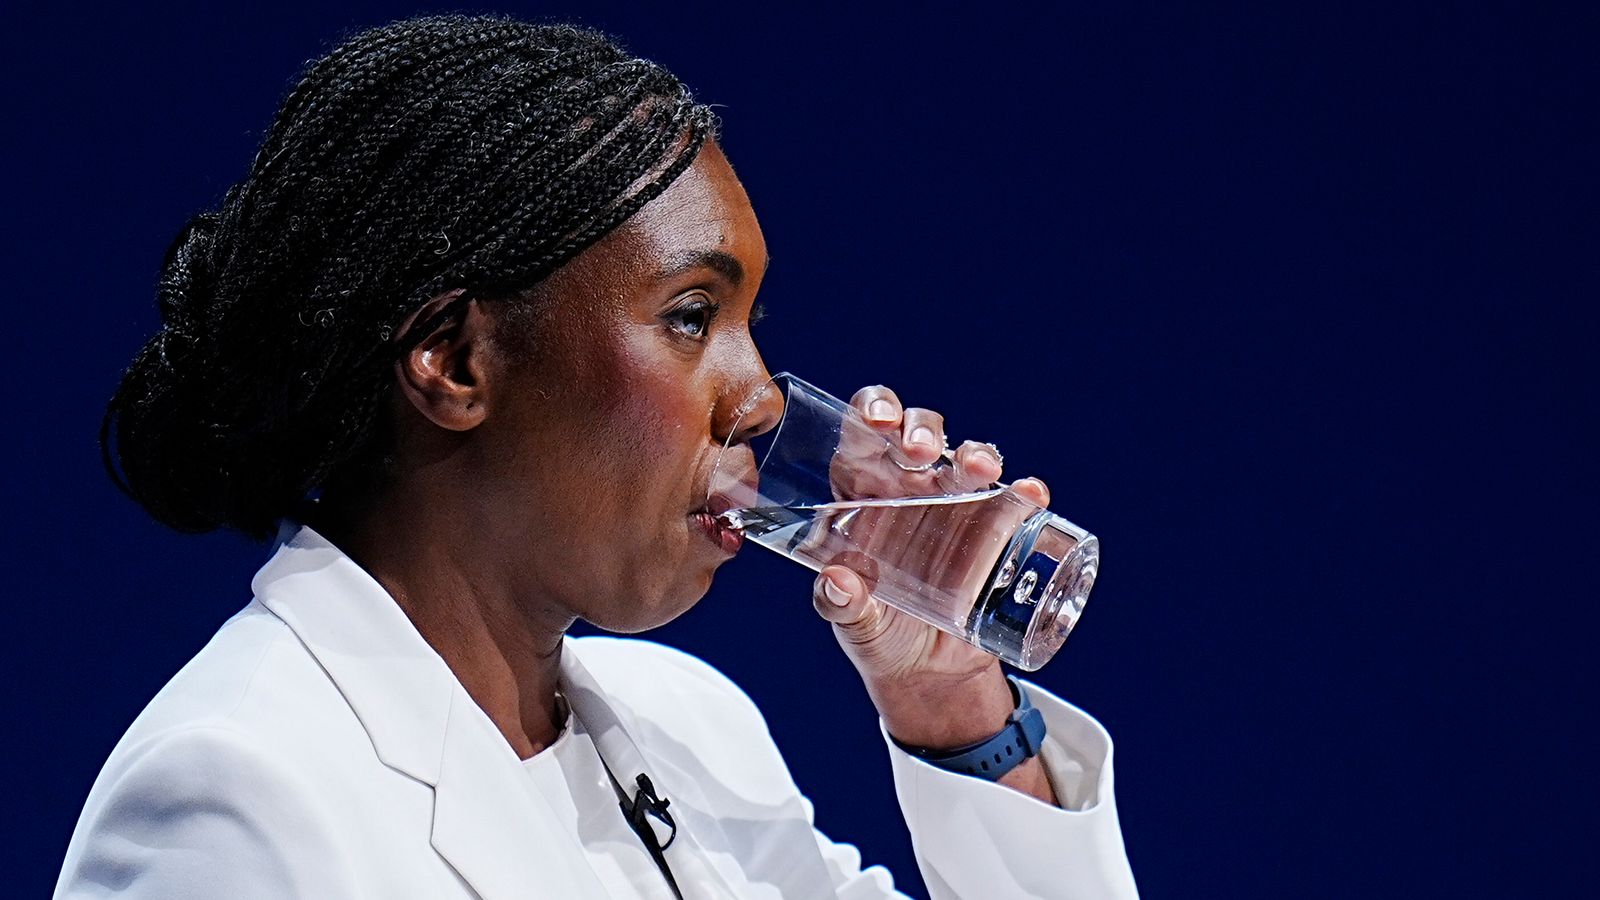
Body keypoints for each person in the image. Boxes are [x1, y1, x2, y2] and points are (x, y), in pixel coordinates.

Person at [57, 15, 1137, 899]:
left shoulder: (691, 724)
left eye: (748, 323)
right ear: (453, 360)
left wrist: (950, 711)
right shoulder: (236, 796)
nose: (761, 396)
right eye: (689, 315)